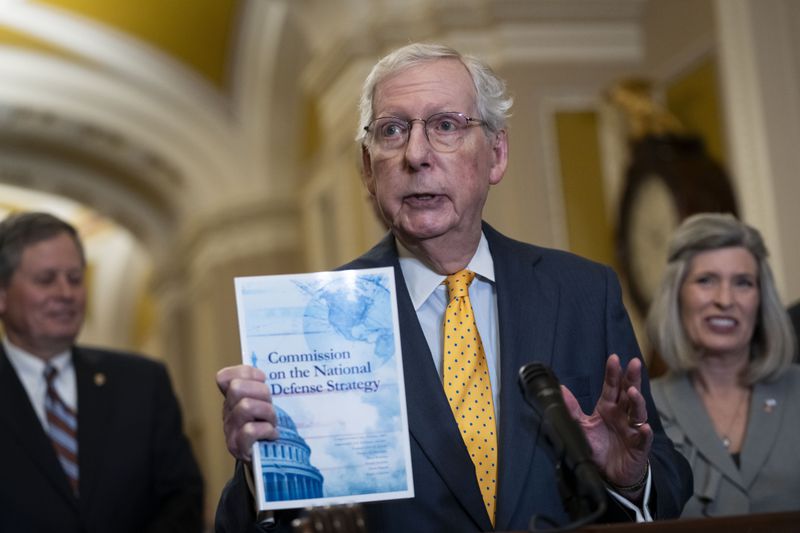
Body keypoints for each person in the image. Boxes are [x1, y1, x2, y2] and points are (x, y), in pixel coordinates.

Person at [215, 43, 692, 532]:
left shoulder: (583, 294)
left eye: (445, 125)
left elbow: (669, 479)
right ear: (367, 166)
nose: (416, 155)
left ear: (496, 154)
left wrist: (631, 480)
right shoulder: (314, 318)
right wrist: (258, 472)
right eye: (392, 130)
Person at [0, 211, 204, 532]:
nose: (66, 293)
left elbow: (182, 500)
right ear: (2, 294)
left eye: (75, 278)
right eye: (46, 279)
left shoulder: (143, 383)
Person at [647, 213, 799, 517]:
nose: (725, 299)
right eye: (706, 280)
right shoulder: (645, 405)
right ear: (677, 296)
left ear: (761, 300)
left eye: (743, 283)